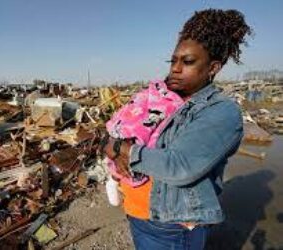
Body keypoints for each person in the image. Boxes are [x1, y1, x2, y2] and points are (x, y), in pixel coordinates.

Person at [104, 8, 252, 250]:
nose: (175, 68)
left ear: (213, 67)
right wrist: (110, 143)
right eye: (173, 60)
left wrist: (121, 149)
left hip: (173, 227)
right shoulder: (158, 99)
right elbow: (116, 127)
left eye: (188, 62)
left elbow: (180, 166)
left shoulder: (221, 112)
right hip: (137, 213)